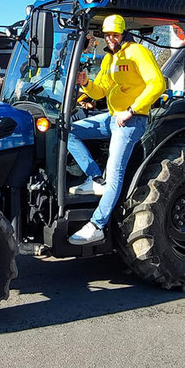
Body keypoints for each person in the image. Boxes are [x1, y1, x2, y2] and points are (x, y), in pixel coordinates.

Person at [66, 15, 167, 246]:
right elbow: (100, 91)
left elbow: (157, 83)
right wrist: (85, 84)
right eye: (107, 34)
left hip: (131, 119)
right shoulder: (109, 59)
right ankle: (94, 177)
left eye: (115, 34)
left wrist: (131, 110)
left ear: (122, 33)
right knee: (68, 130)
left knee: (116, 173)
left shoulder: (137, 52)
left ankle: (97, 225)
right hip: (113, 117)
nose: (110, 38)